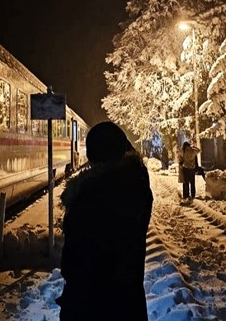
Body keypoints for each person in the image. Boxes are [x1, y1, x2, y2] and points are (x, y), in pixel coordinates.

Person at [56, 121, 153, 321]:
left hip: (91, 308)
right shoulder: (136, 187)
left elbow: (75, 264)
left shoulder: (89, 197)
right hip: (129, 305)